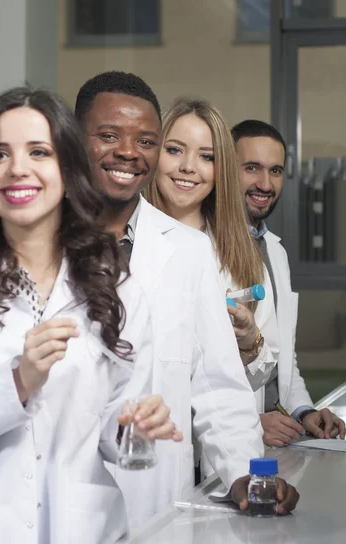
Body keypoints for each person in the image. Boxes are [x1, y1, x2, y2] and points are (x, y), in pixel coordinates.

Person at [0, 86, 180, 544]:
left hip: (85, 530)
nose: (17, 168)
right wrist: (18, 381)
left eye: (39, 152)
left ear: (67, 168)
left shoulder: (115, 287)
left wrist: (132, 427)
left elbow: (110, 431)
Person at [74, 71, 299, 526]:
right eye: (109, 136)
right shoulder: (36, 241)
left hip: (152, 495)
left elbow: (217, 384)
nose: (127, 152)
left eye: (145, 141)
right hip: (57, 495)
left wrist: (242, 473)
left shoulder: (191, 251)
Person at [144, 98, 278, 392]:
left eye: (207, 157)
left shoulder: (242, 256)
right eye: (174, 150)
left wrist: (249, 339)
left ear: (222, 170)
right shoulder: (126, 239)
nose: (188, 167)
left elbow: (259, 379)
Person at [232, 119, 345, 446]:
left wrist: (304, 412)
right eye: (252, 168)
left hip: (280, 440)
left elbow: (284, 359)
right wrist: (250, 422)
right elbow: (195, 370)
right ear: (227, 170)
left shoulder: (275, 252)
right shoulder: (203, 246)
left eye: (276, 171)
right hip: (229, 441)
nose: (265, 184)